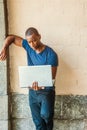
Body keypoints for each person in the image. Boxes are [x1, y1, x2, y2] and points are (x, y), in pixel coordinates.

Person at [0, 27, 58, 130]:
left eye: (34, 40)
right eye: (30, 42)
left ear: (39, 36)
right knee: (38, 122)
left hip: (46, 91)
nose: (33, 44)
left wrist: (42, 85)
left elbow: (51, 79)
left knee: (46, 116)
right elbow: (11, 38)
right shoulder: (28, 45)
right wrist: (4, 48)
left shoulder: (51, 54)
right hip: (32, 92)